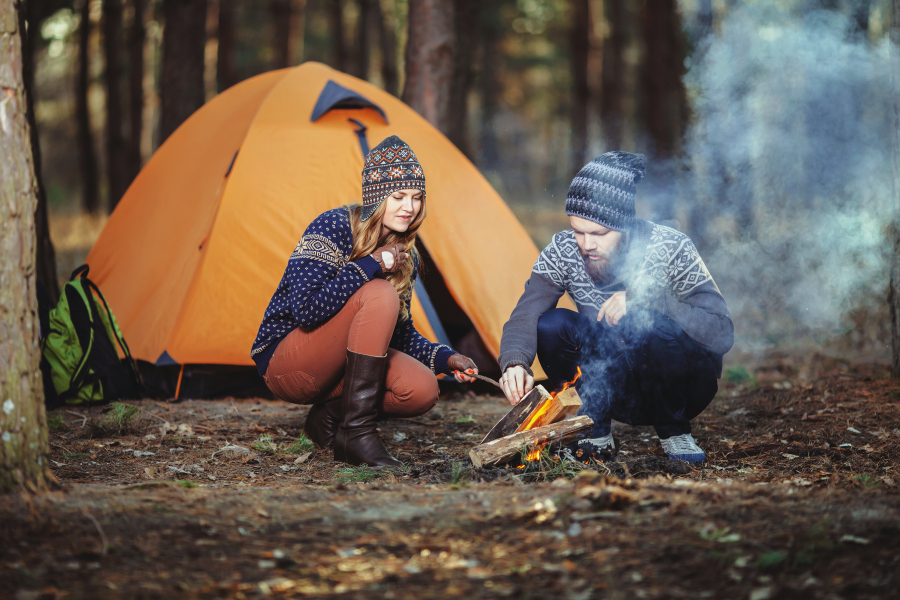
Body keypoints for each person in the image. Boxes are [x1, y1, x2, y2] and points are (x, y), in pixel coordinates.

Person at [251, 135, 478, 467]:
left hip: (338, 370)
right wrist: (371, 264)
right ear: (376, 197)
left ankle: (328, 419)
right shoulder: (333, 227)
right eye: (398, 196)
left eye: (416, 197)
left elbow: (397, 334)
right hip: (286, 362)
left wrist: (447, 358)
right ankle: (357, 434)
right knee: (379, 292)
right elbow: (305, 311)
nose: (409, 207)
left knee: (422, 388)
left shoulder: (404, 254)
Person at [498, 151, 733, 463]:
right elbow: (527, 312)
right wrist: (514, 361)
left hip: (683, 386)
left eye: (599, 233)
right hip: (615, 388)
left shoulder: (670, 246)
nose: (586, 244)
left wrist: (647, 302)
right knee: (552, 324)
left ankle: (675, 433)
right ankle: (593, 429)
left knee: (646, 317)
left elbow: (721, 331)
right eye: (578, 230)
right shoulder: (564, 250)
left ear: (625, 225)